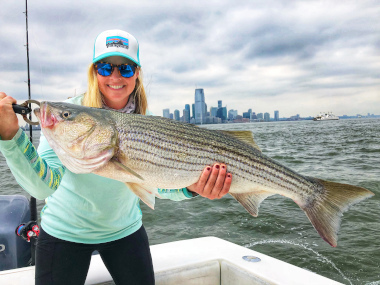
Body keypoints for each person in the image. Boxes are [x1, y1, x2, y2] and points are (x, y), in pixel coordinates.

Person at [0, 29, 232, 285]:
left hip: (125, 231)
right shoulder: (66, 115)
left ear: (137, 75)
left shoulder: (148, 123)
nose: (115, 76)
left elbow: (160, 183)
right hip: (63, 233)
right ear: (93, 72)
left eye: (126, 69)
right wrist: (12, 139)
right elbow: (43, 186)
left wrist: (192, 187)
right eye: (105, 67)